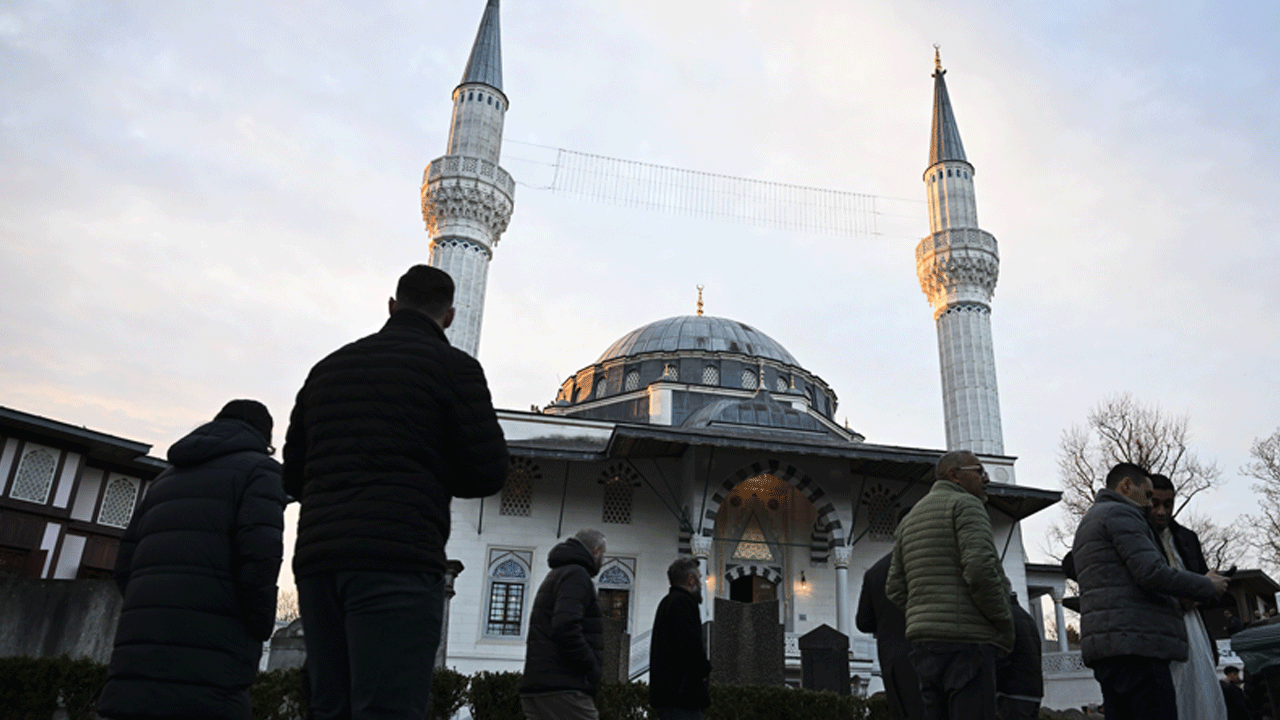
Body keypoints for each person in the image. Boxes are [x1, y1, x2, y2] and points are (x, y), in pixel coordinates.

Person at [283, 265, 508, 720]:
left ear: (391, 305)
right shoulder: (455, 369)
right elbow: (487, 473)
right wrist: (428, 476)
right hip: (398, 559)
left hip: (321, 562)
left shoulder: (328, 369)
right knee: (388, 707)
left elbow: (292, 477)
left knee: (328, 705)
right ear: (449, 316)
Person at [98, 400, 285, 720]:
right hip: (213, 660)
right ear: (264, 437)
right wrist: (259, 624)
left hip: (138, 661)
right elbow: (260, 556)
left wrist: (151, 609)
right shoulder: (261, 470)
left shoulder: (164, 480)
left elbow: (124, 564)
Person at [1072, 462, 1229, 720]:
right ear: (1125, 486)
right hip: (1138, 646)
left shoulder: (1089, 521)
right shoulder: (1120, 514)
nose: (1149, 506)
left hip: (1107, 648)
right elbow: (1150, 572)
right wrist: (1206, 586)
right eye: (1146, 496)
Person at [886, 450, 1014, 720]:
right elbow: (980, 570)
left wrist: (926, 611)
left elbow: (895, 587)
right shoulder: (966, 505)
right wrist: (1003, 623)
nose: (986, 479)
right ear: (954, 475)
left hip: (925, 646)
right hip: (967, 641)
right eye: (978, 471)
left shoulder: (910, 519)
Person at [1148, 472, 1228, 719]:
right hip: (1160, 626)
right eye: (1155, 504)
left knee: (1201, 692)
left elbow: (1203, 581)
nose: (1162, 511)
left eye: (1168, 504)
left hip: (1194, 627)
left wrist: (1208, 588)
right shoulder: (1137, 536)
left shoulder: (1186, 538)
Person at [519, 529, 608, 720]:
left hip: (540, 685)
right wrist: (590, 664)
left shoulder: (557, 574)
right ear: (595, 551)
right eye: (603, 554)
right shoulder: (577, 575)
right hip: (564, 687)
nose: (603, 560)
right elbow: (566, 625)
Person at [856, 548, 924, 720]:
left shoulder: (875, 571)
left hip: (892, 661)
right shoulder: (925, 560)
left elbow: (863, 622)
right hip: (926, 653)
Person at [649, 557, 712, 720]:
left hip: (670, 697)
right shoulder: (682, 603)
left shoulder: (668, 602)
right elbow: (690, 646)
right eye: (699, 577)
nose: (701, 582)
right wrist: (704, 670)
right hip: (681, 697)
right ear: (690, 580)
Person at [996, 592, 1044, 720]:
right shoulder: (1027, 618)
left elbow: (1003, 656)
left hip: (1013, 692)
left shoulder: (1006, 618)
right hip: (1033, 691)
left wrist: (996, 685)